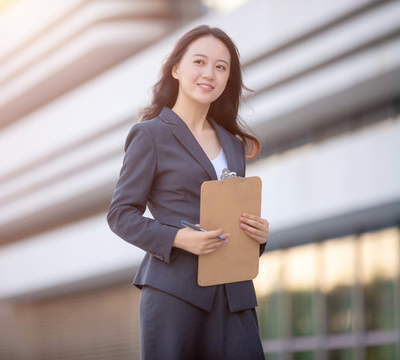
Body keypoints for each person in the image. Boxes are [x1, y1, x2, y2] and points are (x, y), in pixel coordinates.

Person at [107, 25, 269, 359]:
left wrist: (258, 234)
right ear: (177, 68)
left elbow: (228, 217)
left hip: (235, 297)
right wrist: (178, 238)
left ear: (227, 79)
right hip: (175, 296)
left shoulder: (233, 145)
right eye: (200, 62)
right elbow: (120, 215)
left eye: (221, 67)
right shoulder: (150, 135)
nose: (210, 73)